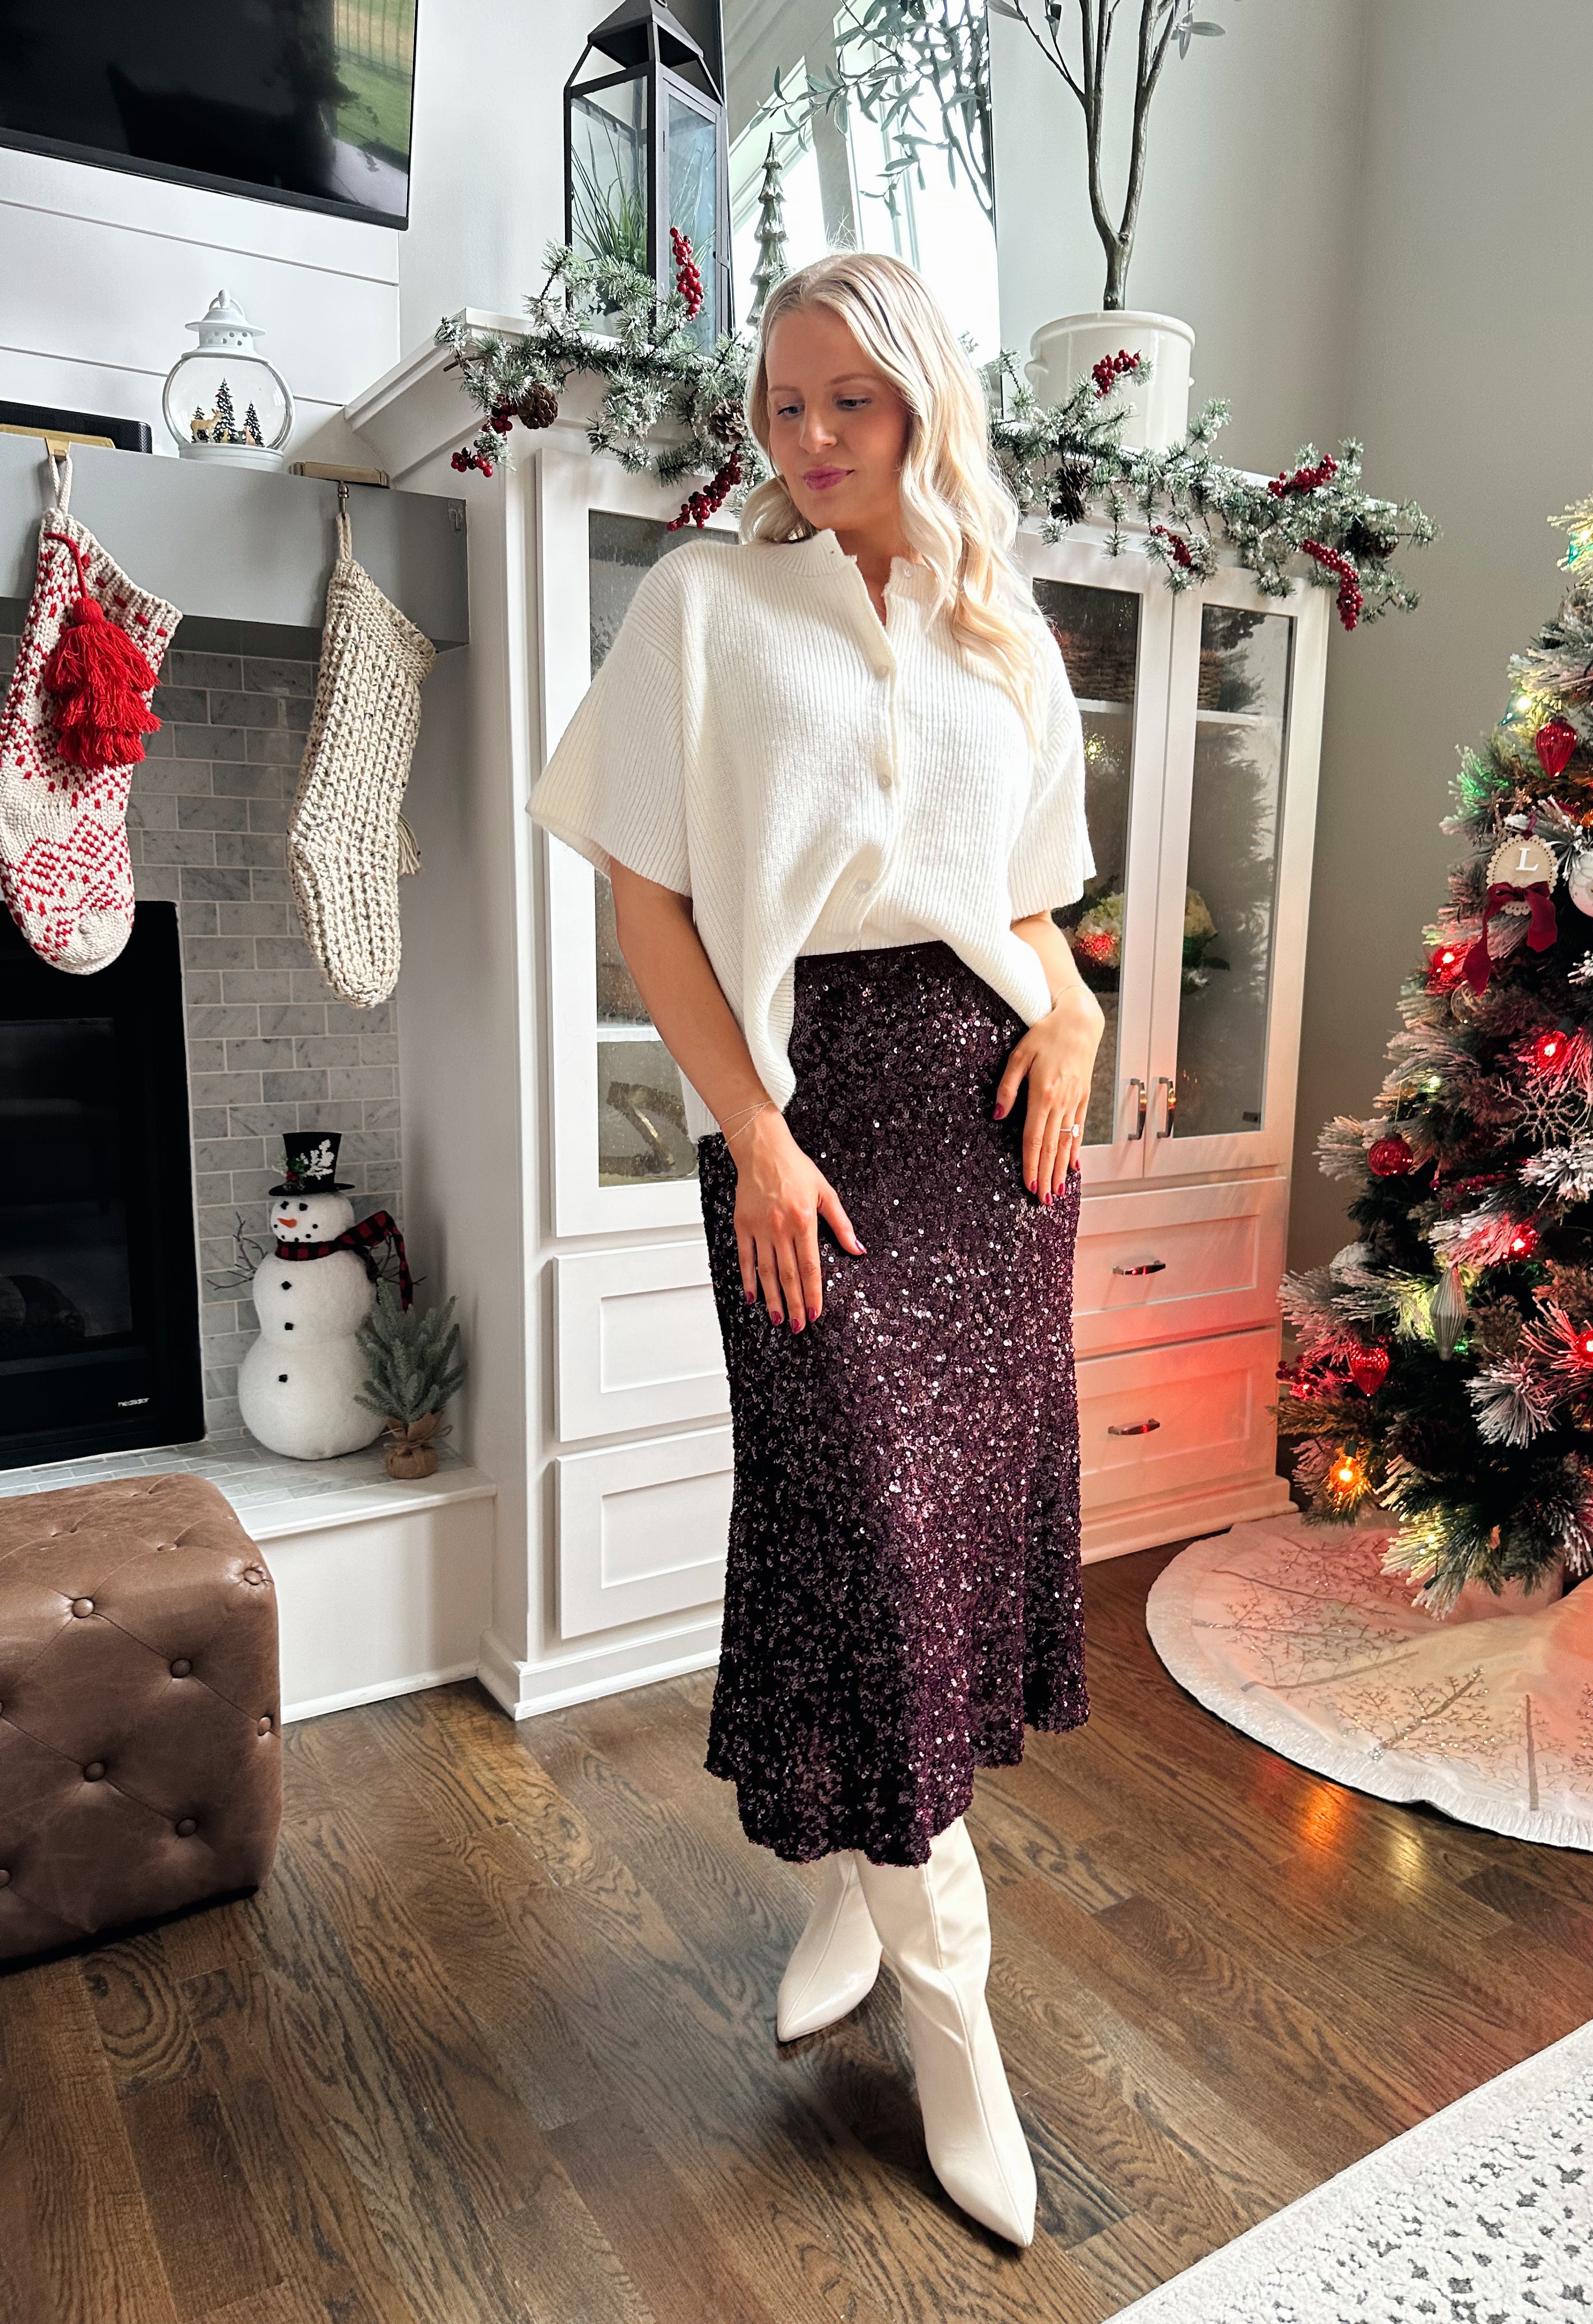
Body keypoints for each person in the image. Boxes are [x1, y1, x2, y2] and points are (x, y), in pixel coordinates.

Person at [526, 250, 1102, 2248]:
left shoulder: (1003, 630)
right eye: (785, 404)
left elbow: (1034, 911)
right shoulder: (708, 604)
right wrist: (753, 1137)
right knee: (851, 1533)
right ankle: (962, 2038)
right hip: (810, 1130)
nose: (813, 436)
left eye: (851, 397)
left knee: (928, 1565)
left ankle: (866, 1898)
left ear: (924, 399)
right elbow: (650, 906)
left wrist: (1083, 1016)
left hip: (990, 1129)